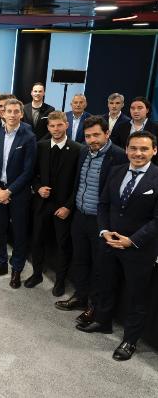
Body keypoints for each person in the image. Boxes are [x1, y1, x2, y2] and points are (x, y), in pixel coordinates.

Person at [76, 130, 158, 361]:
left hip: (139, 248)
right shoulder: (116, 171)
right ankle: (103, 322)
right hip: (109, 242)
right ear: (127, 149)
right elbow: (103, 205)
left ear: (154, 150)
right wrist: (104, 231)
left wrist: (132, 240)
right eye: (133, 148)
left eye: (144, 149)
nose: (138, 153)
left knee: (136, 296)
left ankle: (130, 340)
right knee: (106, 285)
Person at [55, 116, 127, 325]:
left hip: (101, 222)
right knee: (80, 260)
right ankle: (80, 296)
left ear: (107, 134)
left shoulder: (119, 156)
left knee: (99, 267)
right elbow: (78, 183)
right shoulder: (83, 151)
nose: (92, 139)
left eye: (96, 135)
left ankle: (94, 307)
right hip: (80, 216)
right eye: (88, 136)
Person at [25, 111, 82, 293]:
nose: (56, 129)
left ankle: (60, 281)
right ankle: (36, 274)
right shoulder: (40, 146)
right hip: (42, 204)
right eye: (52, 126)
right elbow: (31, 174)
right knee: (37, 240)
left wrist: (68, 206)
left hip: (63, 207)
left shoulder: (78, 149)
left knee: (62, 245)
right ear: (48, 127)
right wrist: (38, 188)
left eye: (59, 125)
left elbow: (79, 182)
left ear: (67, 125)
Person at [0, 98, 37, 288]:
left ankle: (16, 269)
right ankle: (1, 264)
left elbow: (28, 171)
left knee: (19, 233)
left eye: (16, 111)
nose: (13, 115)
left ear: (21, 114)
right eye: (9, 111)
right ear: (2, 113)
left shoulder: (29, 137)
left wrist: (9, 191)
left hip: (18, 193)